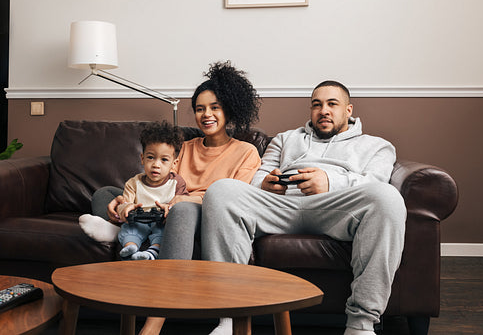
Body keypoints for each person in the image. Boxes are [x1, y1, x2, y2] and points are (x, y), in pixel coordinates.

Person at [200, 80, 407, 335]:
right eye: (317, 105)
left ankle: (361, 325)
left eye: (332, 104)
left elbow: (374, 182)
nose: (324, 111)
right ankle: (228, 320)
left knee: (387, 197)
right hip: (281, 205)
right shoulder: (285, 139)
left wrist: (330, 182)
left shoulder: (377, 146)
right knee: (221, 190)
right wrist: (266, 183)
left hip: (336, 208)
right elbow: (257, 176)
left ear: (349, 110)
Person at [81, 61, 262, 335]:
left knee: (184, 210)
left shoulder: (246, 151)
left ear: (229, 109)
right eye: (200, 109)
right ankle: (122, 227)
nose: (206, 114)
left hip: (202, 216)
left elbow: (234, 199)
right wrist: (128, 201)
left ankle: (156, 320)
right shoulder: (183, 147)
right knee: (105, 193)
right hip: (161, 208)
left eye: (214, 107)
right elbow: (156, 182)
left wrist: (181, 202)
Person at [117, 121, 187, 260]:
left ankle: (152, 251)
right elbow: (124, 203)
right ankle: (130, 248)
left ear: (174, 163)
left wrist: (170, 208)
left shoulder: (177, 183)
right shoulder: (134, 182)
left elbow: (183, 207)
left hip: (161, 222)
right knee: (128, 230)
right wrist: (126, 208)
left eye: (164, 160)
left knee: (164, 233)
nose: (156, 165)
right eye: (150, 157)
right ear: (142, 159)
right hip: (138, 222)